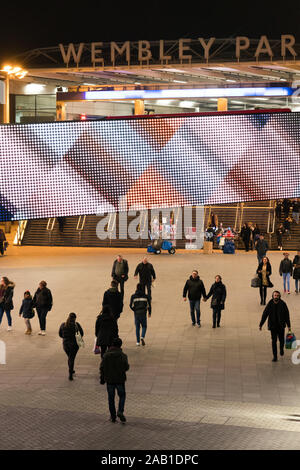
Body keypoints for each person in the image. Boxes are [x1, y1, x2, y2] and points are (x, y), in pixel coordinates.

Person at [100, 337, 130, 423]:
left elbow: (102, 368)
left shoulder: (106, 355)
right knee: (122, 395)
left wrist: (102, 378)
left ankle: (113, 416)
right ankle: (120, 411)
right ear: (120, 345)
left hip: (109, 380)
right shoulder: (123, 356)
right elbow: (126, 367)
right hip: (120, 379)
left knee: (111, 398)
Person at [259, 291, 291, 362]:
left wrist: (289, 325)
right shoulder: (270, 304)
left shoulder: (283, 304)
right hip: (273, 326)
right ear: (272, 296)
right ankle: (275, 356)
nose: (276, 297)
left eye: (277, 295)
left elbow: (287, 315)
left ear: (279, 296)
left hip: (281, 326)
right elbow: (265, 314)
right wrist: (261, 324)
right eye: (275, 295)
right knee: (274, 341)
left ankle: (281, 349)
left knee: (281, 340)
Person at [59, 312, 84, 381]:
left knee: (70, 358)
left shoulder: (63, 325)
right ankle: (70, 374)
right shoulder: (76, 325)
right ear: (75, 318)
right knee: (71, 358)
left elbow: (60, 334)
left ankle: (71, 370)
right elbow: (82, 333)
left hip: (66, 344)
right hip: (74, 345)